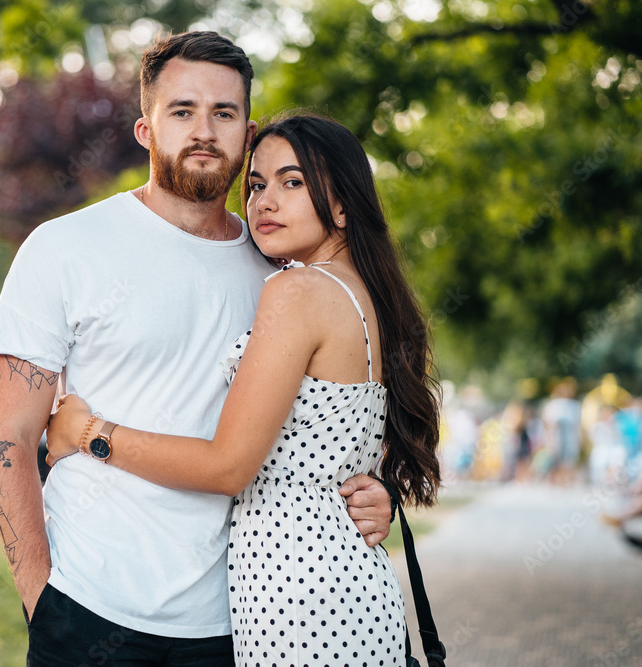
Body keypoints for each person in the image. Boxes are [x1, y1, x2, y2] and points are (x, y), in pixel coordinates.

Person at [0, 32, 393, 667]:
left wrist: (371, 492)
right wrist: (44, 604)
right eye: (182, 111)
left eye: (224, 113)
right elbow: (7, 442)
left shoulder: (278, 263)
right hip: (90, 607)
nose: (204, 130)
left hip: (237, 620)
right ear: (146, 129)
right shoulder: (64, 248)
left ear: (247, 131)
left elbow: (325, 418)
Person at [47, 111, 442, 666]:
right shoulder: (363, 295)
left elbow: (228, 468)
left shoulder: (297, 291)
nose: (264, 201)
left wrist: (88, 432)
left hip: (300, 598)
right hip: (340, 586)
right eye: (256, 184)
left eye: (292, 182)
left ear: (345, 205)